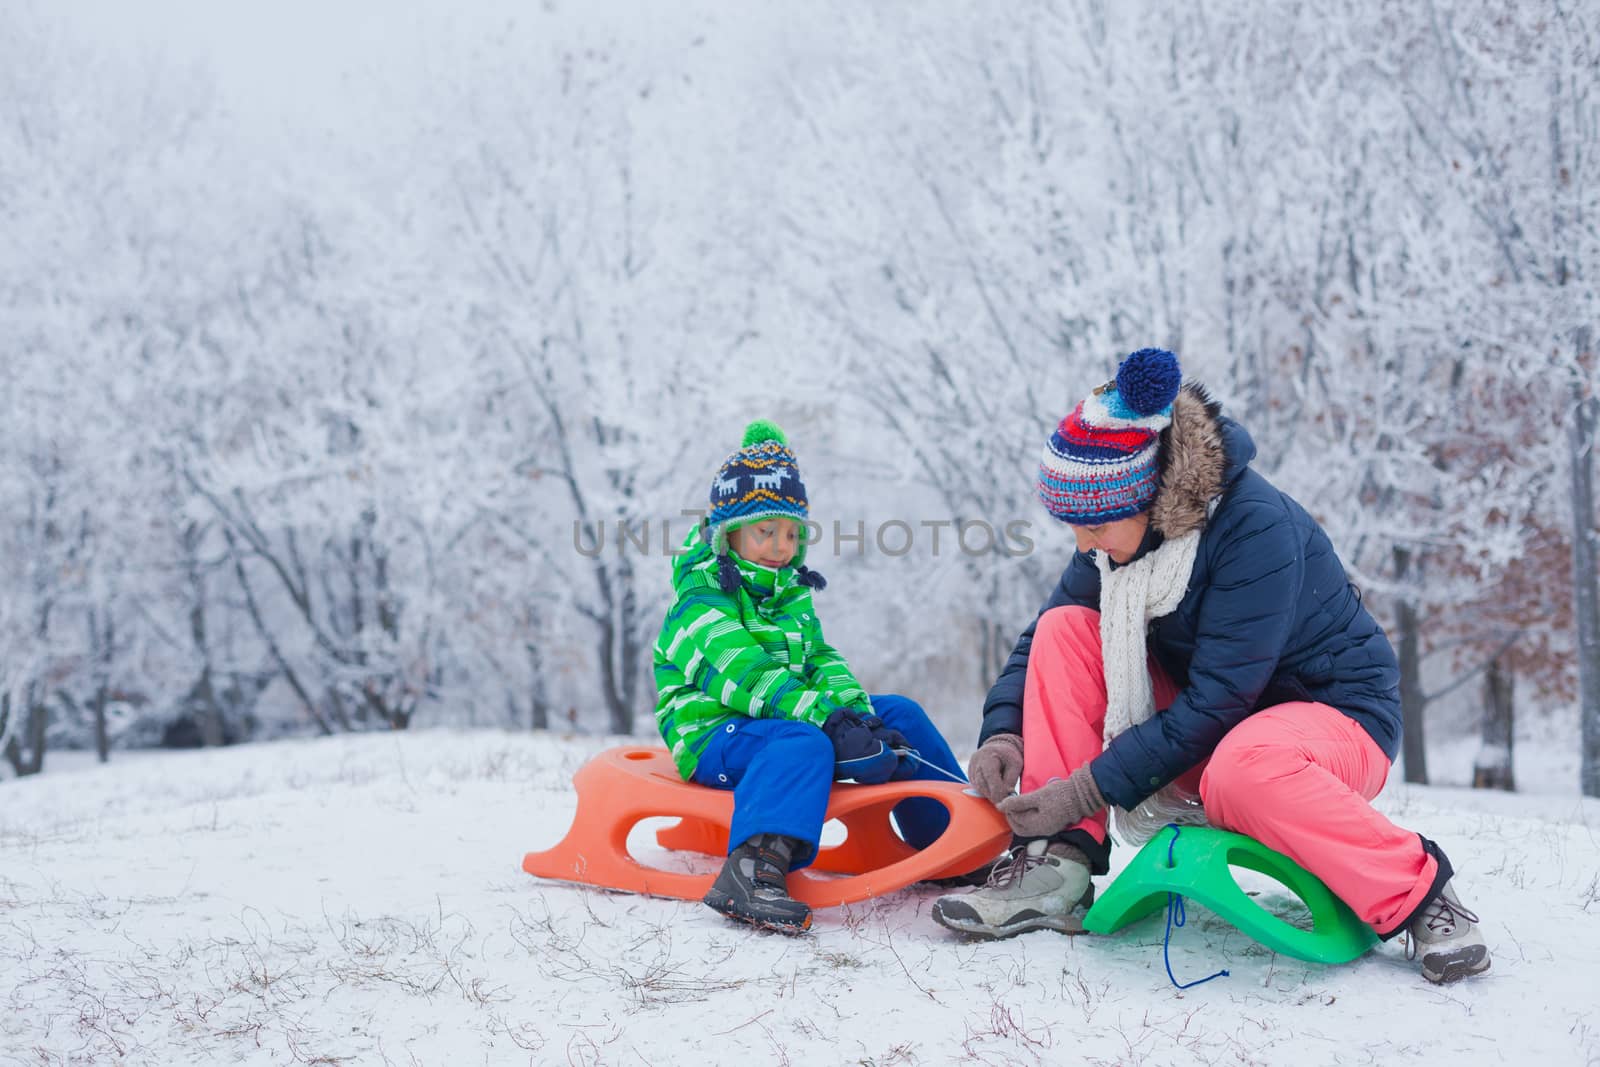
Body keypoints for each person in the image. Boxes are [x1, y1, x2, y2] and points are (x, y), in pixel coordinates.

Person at [931, 348, 1490, 984]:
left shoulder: (1255, 528)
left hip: (1333, 719)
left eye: (1093, 526)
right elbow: (1041, 642)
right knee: (1066, 630)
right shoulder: (1118, 540)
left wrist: (1088, 785)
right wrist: (1004, 732)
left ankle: (1421, 897)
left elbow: (1220, 699)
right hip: (1222, 725)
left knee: (1242, 770)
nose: (1082, 545)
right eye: (1073, 527)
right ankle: (1058, 863)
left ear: (1145, 496)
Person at [654, 419, 968, 934]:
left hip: (779, 721)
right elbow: (748, 676)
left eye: (792, 532)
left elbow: (819, 660)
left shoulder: (787, 592)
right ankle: (753, 867)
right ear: (728, 533)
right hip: (713, 732)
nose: (782, 545)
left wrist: (857, 718)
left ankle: (952, 838)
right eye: (766, 531)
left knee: (899, 713)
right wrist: (826, 722)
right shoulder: (702, 598)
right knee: (804, 741)